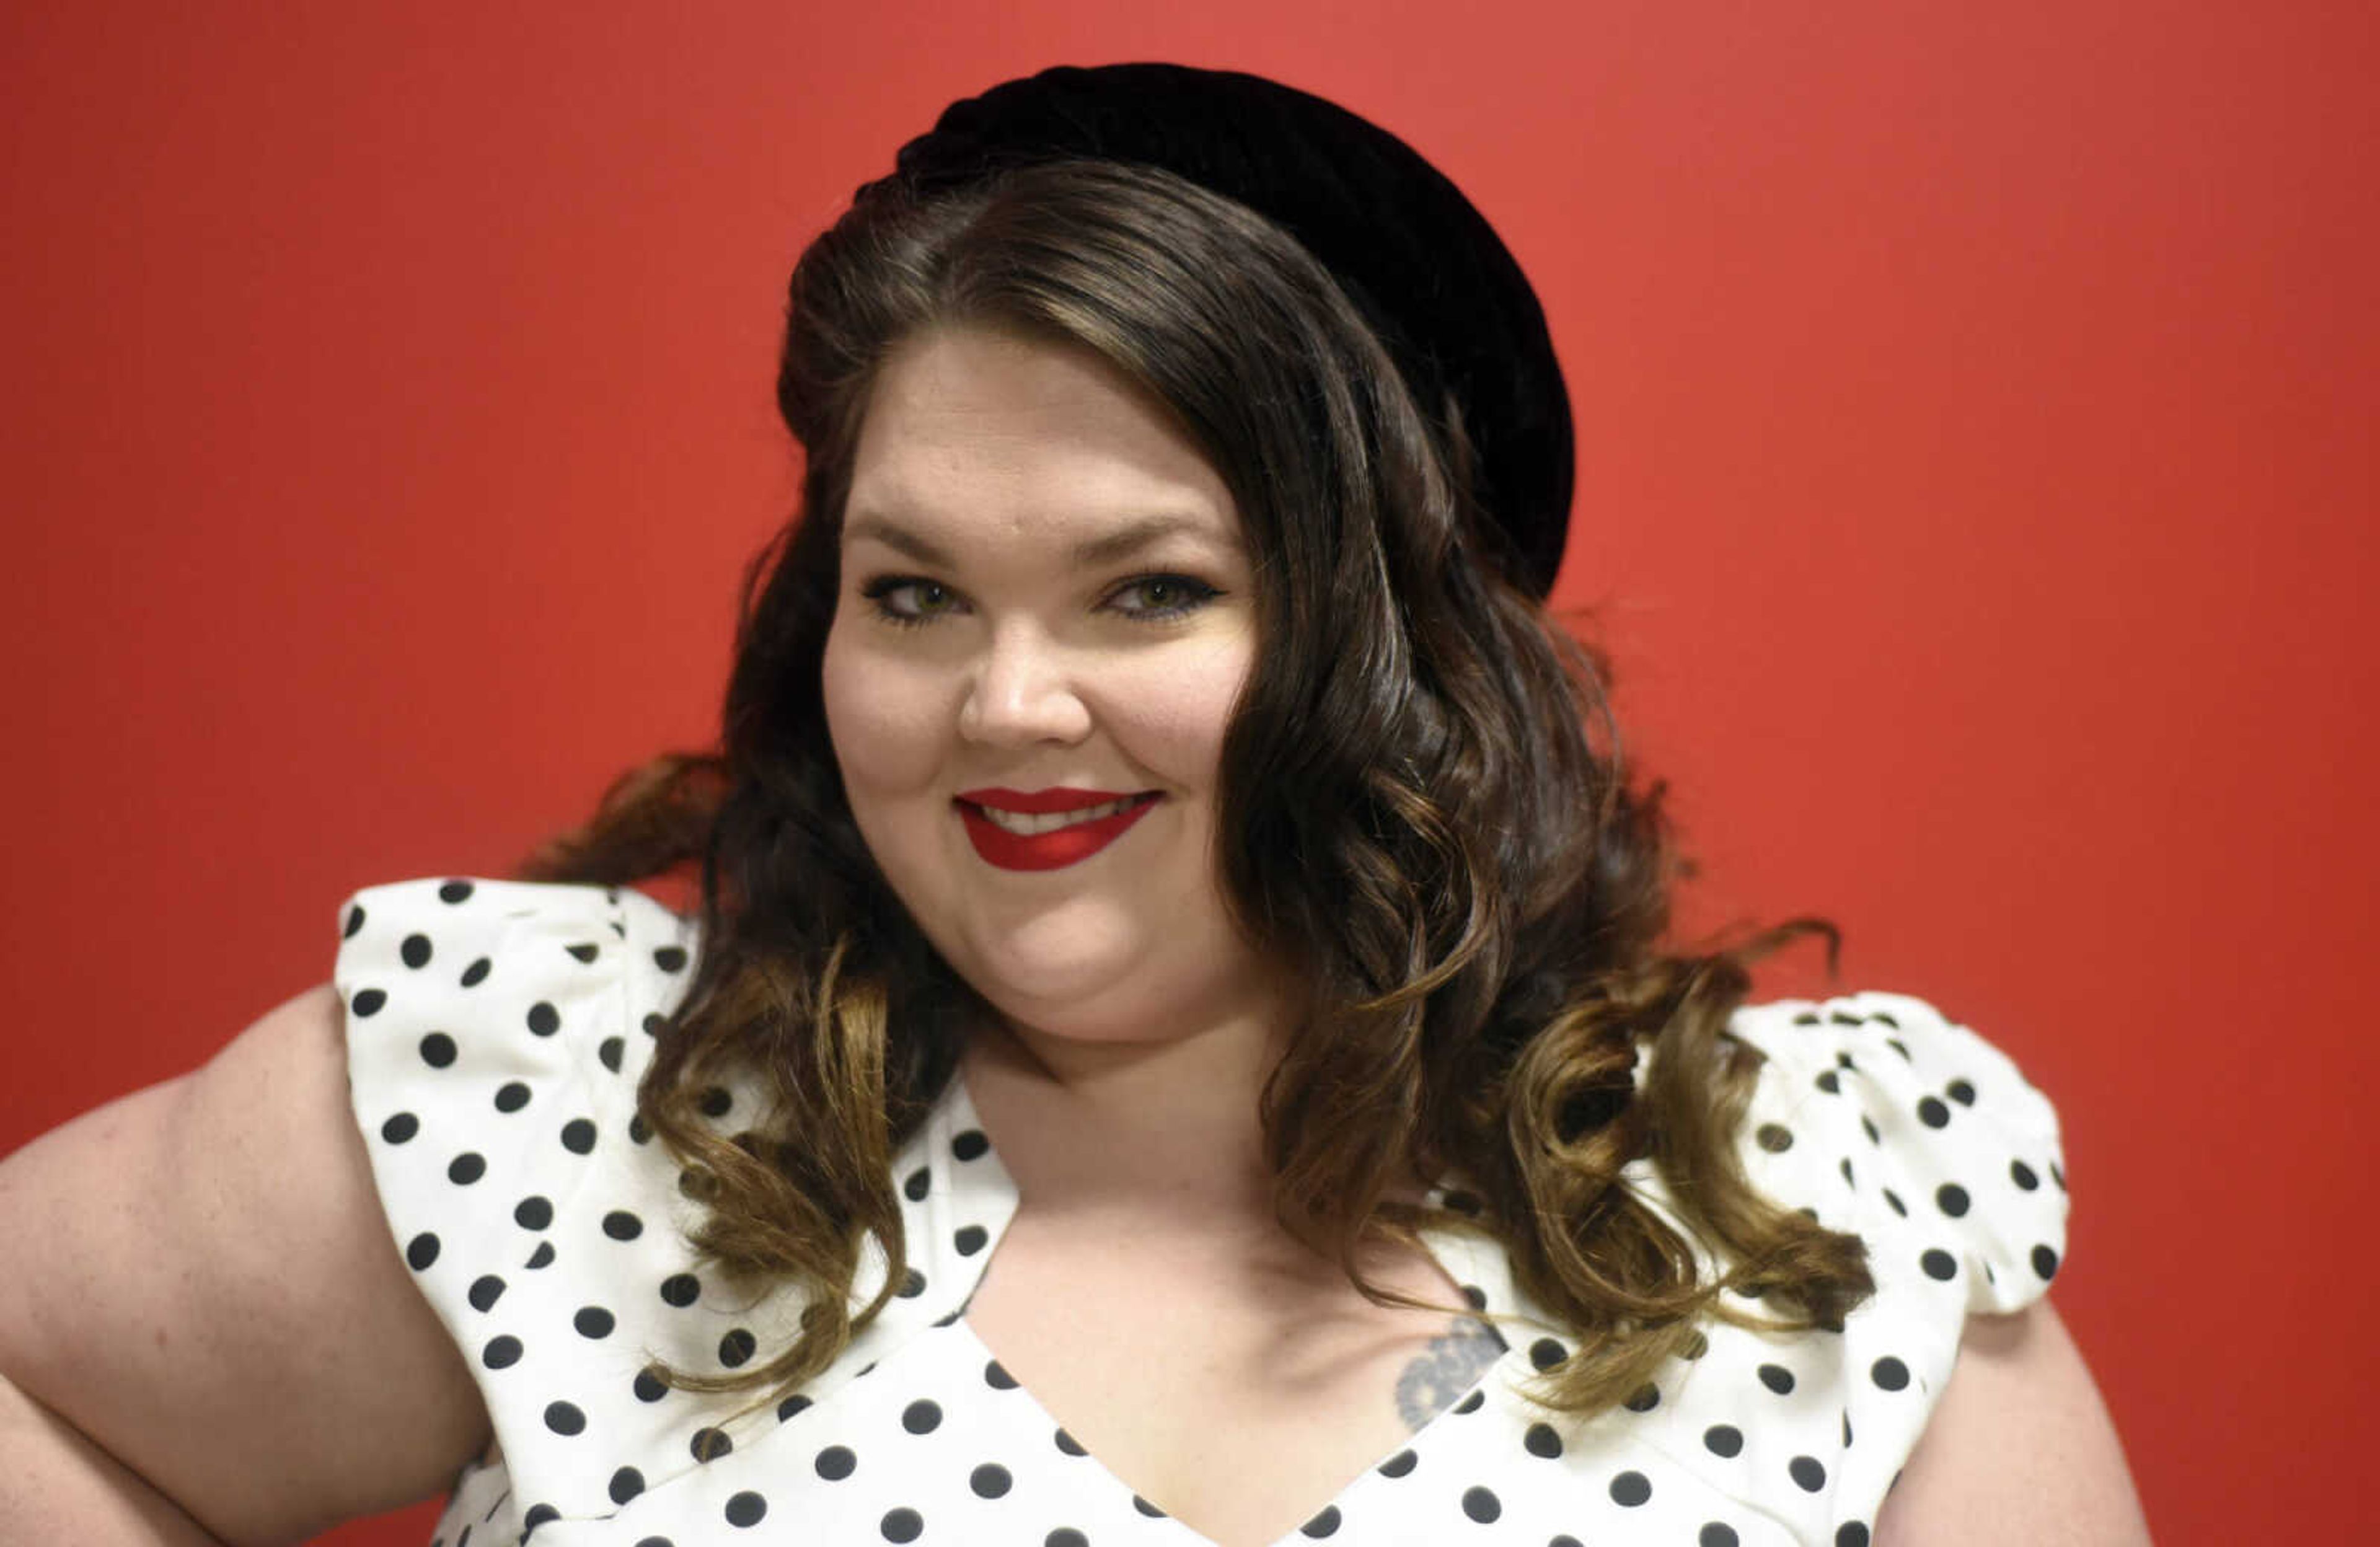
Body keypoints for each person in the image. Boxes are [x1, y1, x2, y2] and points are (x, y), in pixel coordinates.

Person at [0, 62, 2148, 1547]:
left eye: (1149, 591)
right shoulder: (574, 1109)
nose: (1008, 705)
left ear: (1403, 640)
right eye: (915, 593)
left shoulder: (1820, 1211)